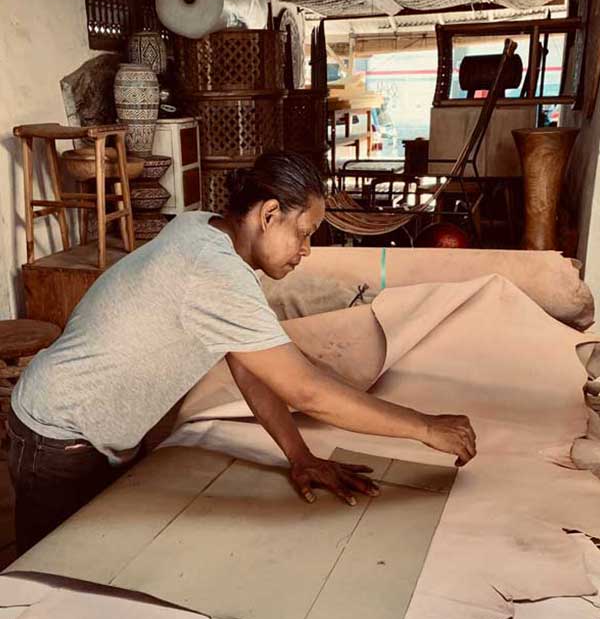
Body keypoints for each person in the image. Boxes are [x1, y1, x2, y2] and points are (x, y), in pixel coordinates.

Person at [8, 151, 476, 554]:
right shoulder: (213, 270)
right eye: (305, 232)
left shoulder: (207, 232)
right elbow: (306, 391)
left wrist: (300, 456)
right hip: (58, 435)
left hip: (89, 433)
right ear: (269, 214)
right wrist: (425, 426)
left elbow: (250, 366)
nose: (307, 250)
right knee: (42, 591)